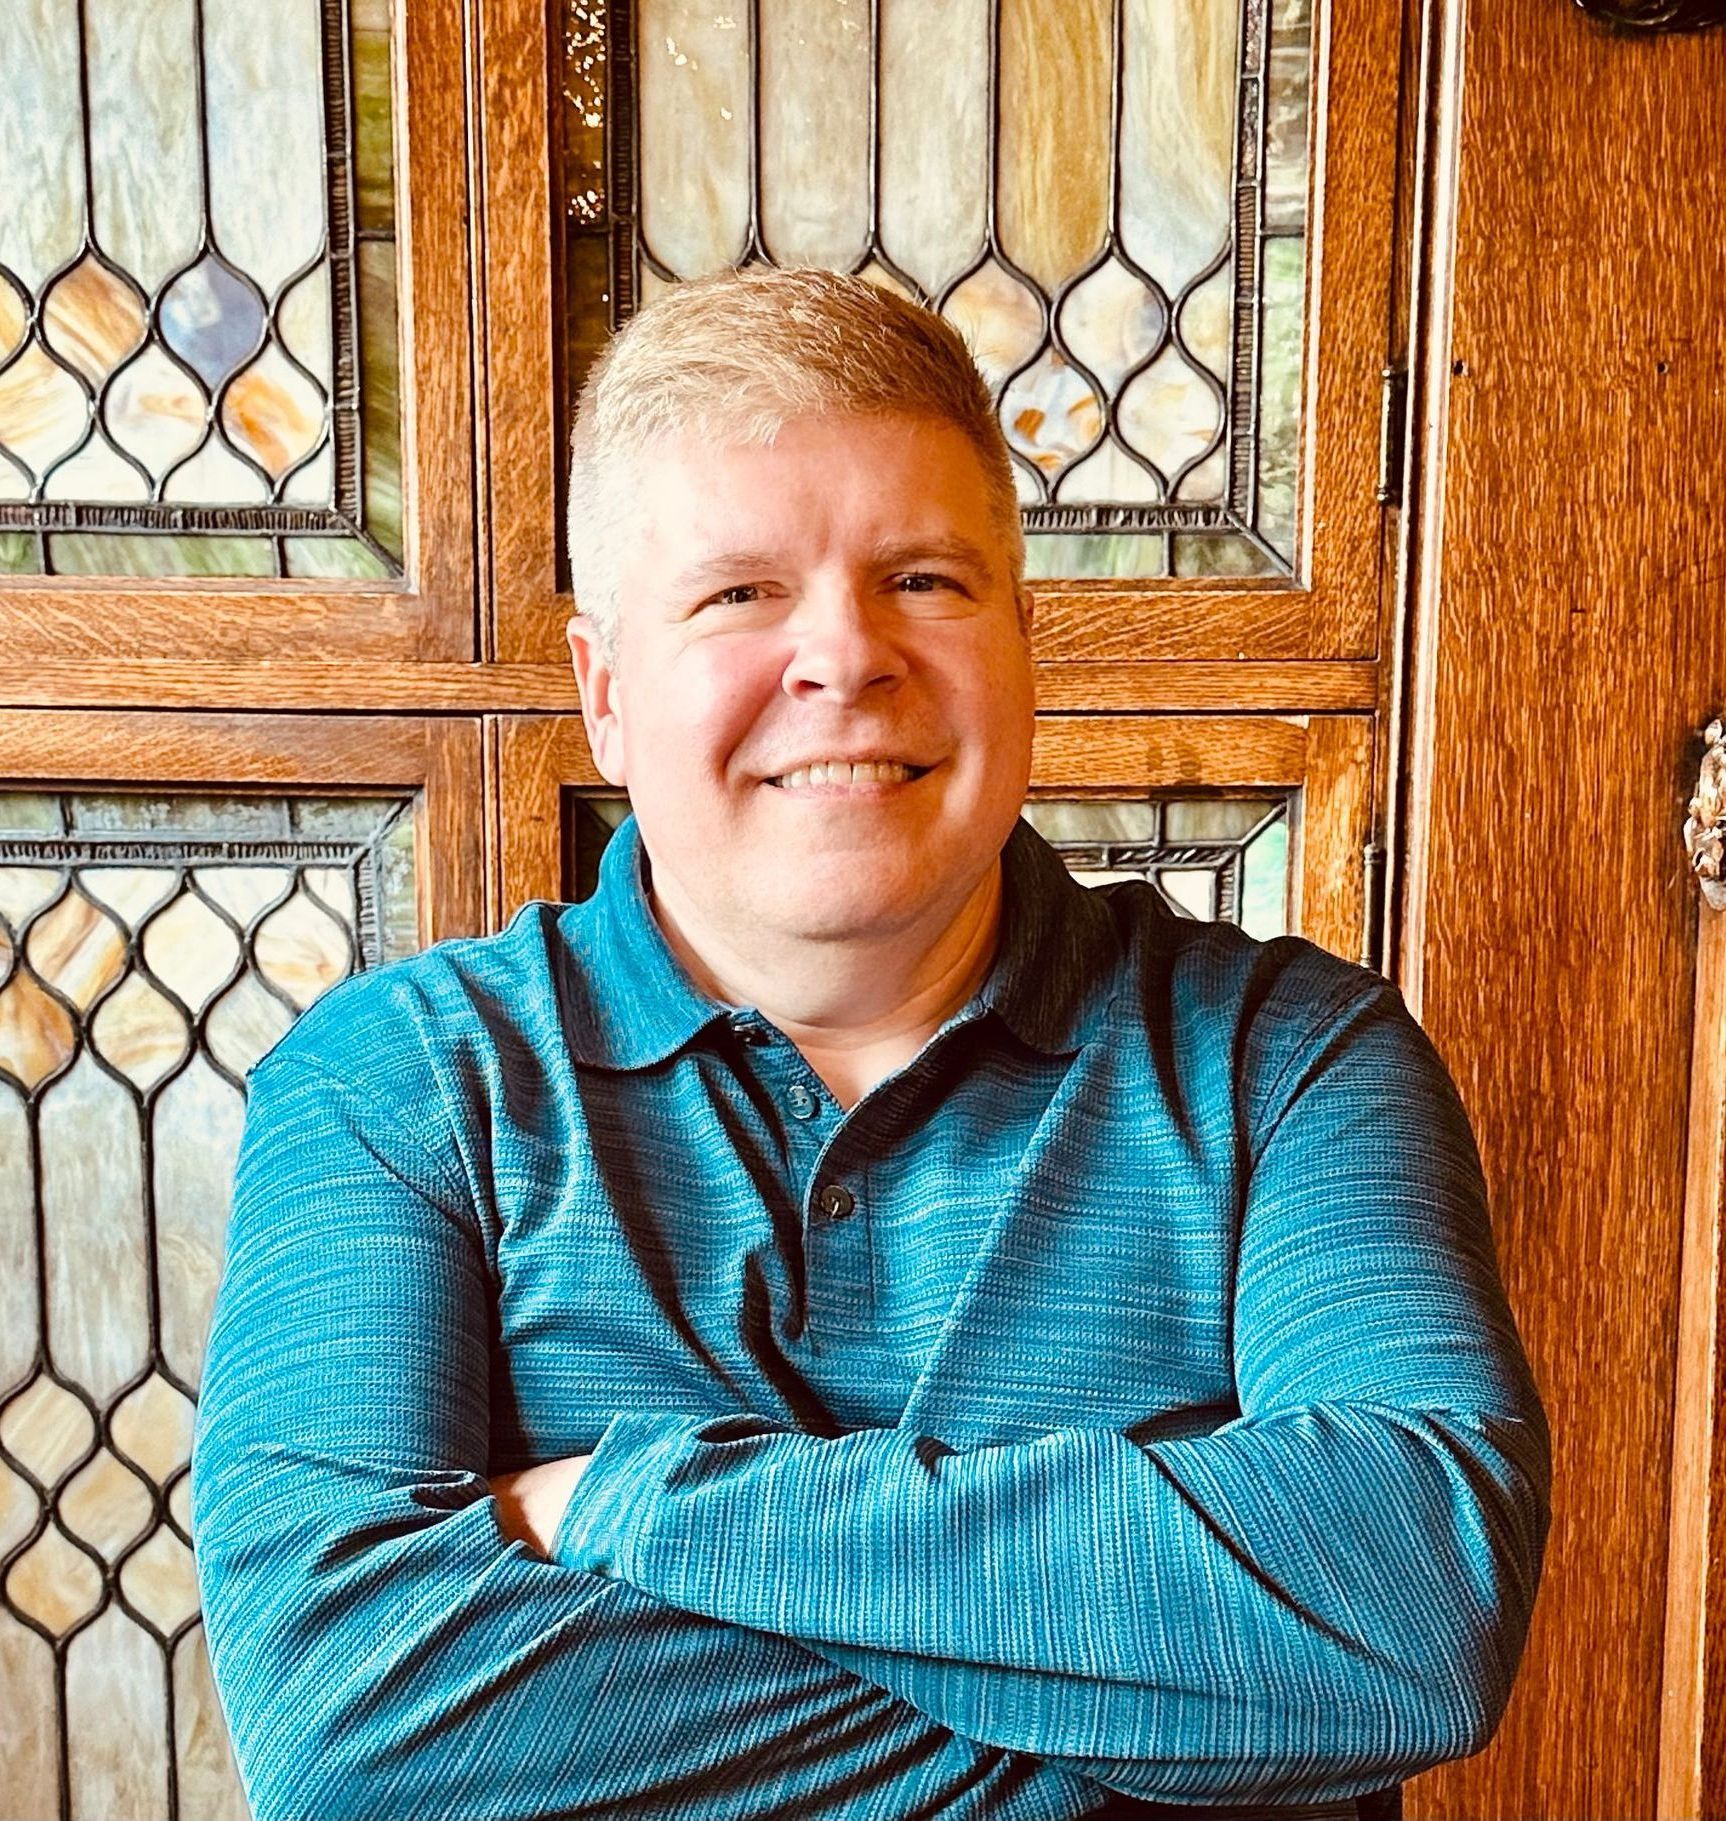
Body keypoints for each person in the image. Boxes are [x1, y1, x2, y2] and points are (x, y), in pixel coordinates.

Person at [190, 266, 1550, 1821]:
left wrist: (626, 1501)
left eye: (923, 579)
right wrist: (1160, 1694)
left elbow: (1410, 1612)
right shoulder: (397, 1084)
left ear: (1022, 644)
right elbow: (346, 1728)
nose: (844, 657)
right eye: (738, 592)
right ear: (606, 688)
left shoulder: (1292, 1062)